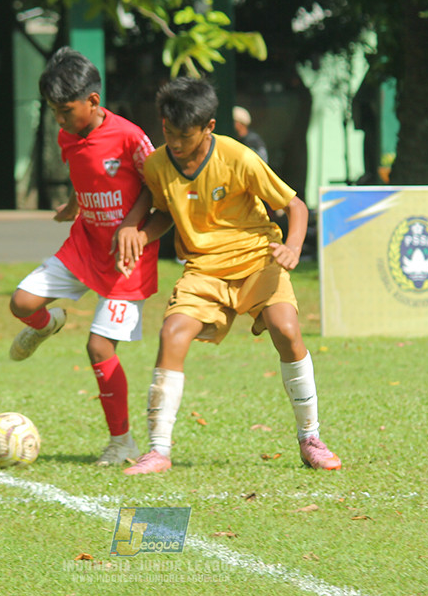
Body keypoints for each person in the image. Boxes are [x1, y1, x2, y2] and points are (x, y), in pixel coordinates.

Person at [113, 77, 340, 475]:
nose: (176, 144)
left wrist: (292, 247)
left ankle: (311, 438)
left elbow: (296, 206)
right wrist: (139, 233)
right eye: (168, 132)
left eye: (185, 135)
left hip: (256, 259)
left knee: (286, 329)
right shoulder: (158, 164)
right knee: (172, 333)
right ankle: (158, 451)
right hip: (203, 269)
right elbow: (165, 210)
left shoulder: (239, 157)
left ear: (209, 128)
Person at [8, 47, 158, 466]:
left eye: (65, 110)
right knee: (21, 302)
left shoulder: (130, 137)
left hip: (127, 259)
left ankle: (123, 442)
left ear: (93, 101)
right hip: (85, 243)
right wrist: (76, 204)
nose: (59, 120)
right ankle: (47, 325)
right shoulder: (66, 136)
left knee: (98, 347)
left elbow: (155, 188)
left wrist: (131, 225)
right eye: (53, 111)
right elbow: (85, 173)